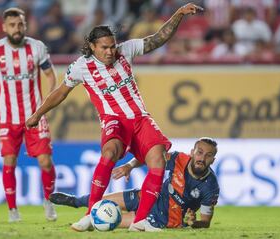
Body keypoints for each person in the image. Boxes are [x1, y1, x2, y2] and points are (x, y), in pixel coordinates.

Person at [26, 2, 203, 232]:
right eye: (105, 48)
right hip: (113, 120)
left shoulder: (126, 50)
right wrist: (37, 114)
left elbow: (158, 38)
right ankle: (90, 215)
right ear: (92, 46)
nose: (110, 51)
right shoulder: (82, 67)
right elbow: (61, 92)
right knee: (109, 153)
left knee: (158, 159)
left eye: (112, 46)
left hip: (140, 118)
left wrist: (178, 14)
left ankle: (140, 222)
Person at [0, 7, 58, 222]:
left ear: (25, 25)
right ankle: (13, 211)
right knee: (9, 162)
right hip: (8, 117)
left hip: (35, 115)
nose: (17, 28)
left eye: (20, 24)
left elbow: (51, 75)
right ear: (4, 27)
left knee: (45, 161)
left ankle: (49, 201)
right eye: (13, 25)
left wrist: (47, 103)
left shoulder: (37, 47)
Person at [50, 137, 220, 231]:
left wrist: (193, 222)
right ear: (192, 152)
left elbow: (205, 222)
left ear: (213, 159)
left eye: (208, 155)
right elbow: (151, 157)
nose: (202, 158)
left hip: (164, 218)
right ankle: (75, 202)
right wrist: (129, 166)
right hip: (148, 196)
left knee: (106, 217)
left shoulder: (210, 187)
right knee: (103, 199)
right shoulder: (178, 159)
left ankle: (91, 223)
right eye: (200, 152)